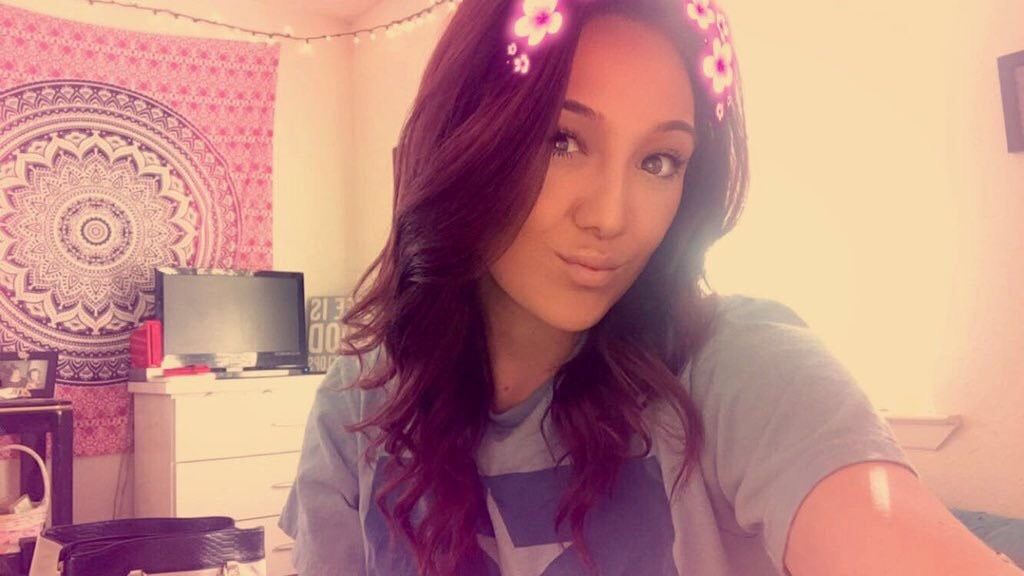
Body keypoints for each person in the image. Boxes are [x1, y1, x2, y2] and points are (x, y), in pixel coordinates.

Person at [280, 0, 1023, 575]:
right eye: (562, 141)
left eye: (660, 161)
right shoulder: (362, 407)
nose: (612, 217)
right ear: (465, 144)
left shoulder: (738, 367)